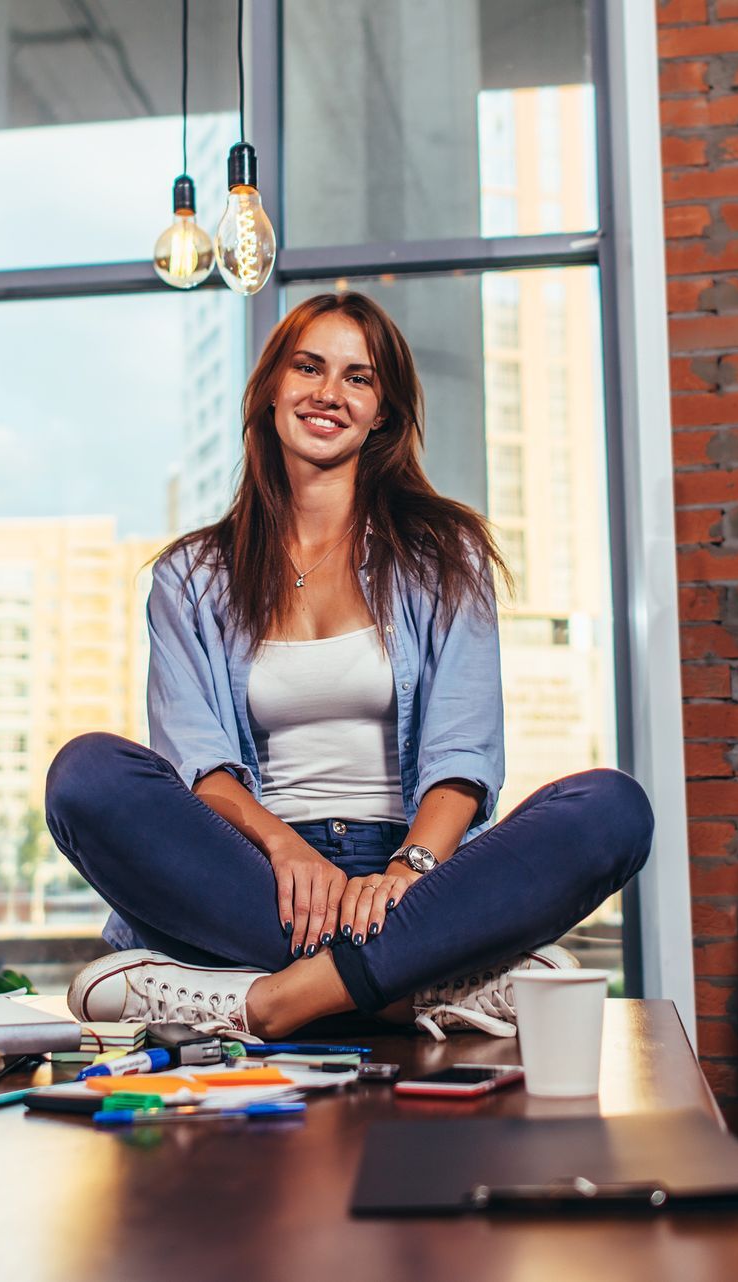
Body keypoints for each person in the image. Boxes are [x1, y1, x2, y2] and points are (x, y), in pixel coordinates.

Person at [44, 292, 653, 1042]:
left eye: (358, 378)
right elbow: (199, 765)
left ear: (382, 413)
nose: (329, 393)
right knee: (86, 775)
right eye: (309, 367)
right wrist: (285, 847)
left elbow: (463, 755)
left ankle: (265, 1001)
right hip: (254, 876)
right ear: (271, 387)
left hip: (413, 876)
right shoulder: (190, 577)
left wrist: (408, 873)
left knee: (612, 810)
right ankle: (428, 982)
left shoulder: (446, 554)